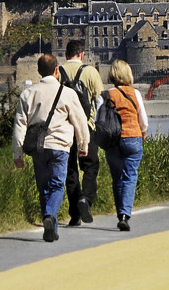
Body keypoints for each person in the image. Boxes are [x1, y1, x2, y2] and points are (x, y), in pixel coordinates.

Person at [13, 54, 89, 243]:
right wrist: (83, 144)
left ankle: (51, 228)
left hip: (38, 147)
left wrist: (18, 152)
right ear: (57, 70)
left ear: (38, 71)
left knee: (43, 187)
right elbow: (79, 121)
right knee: (56, 184)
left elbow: (20, 125)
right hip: (60, 146)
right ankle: (49, 216)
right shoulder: (67, 93)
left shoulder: (28, 94)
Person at [59, 39, 104, 226]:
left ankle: (74, 214)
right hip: (86, 127)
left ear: (66, 54)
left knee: (70, 171)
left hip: (65, 129)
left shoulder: (58, 72)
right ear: (82, 54)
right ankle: (85, 198)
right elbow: (100, 100)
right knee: (90, 166)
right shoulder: (90, 71)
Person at [102, 59, 148, 232]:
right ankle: (124, 215)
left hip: (113, 140)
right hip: (133, 137)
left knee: (117, 178)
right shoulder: (135, 93)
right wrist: (142, 134)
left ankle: (119, 212)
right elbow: (143, 120)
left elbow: (99, 120)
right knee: (130, 176)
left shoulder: (106, 95)